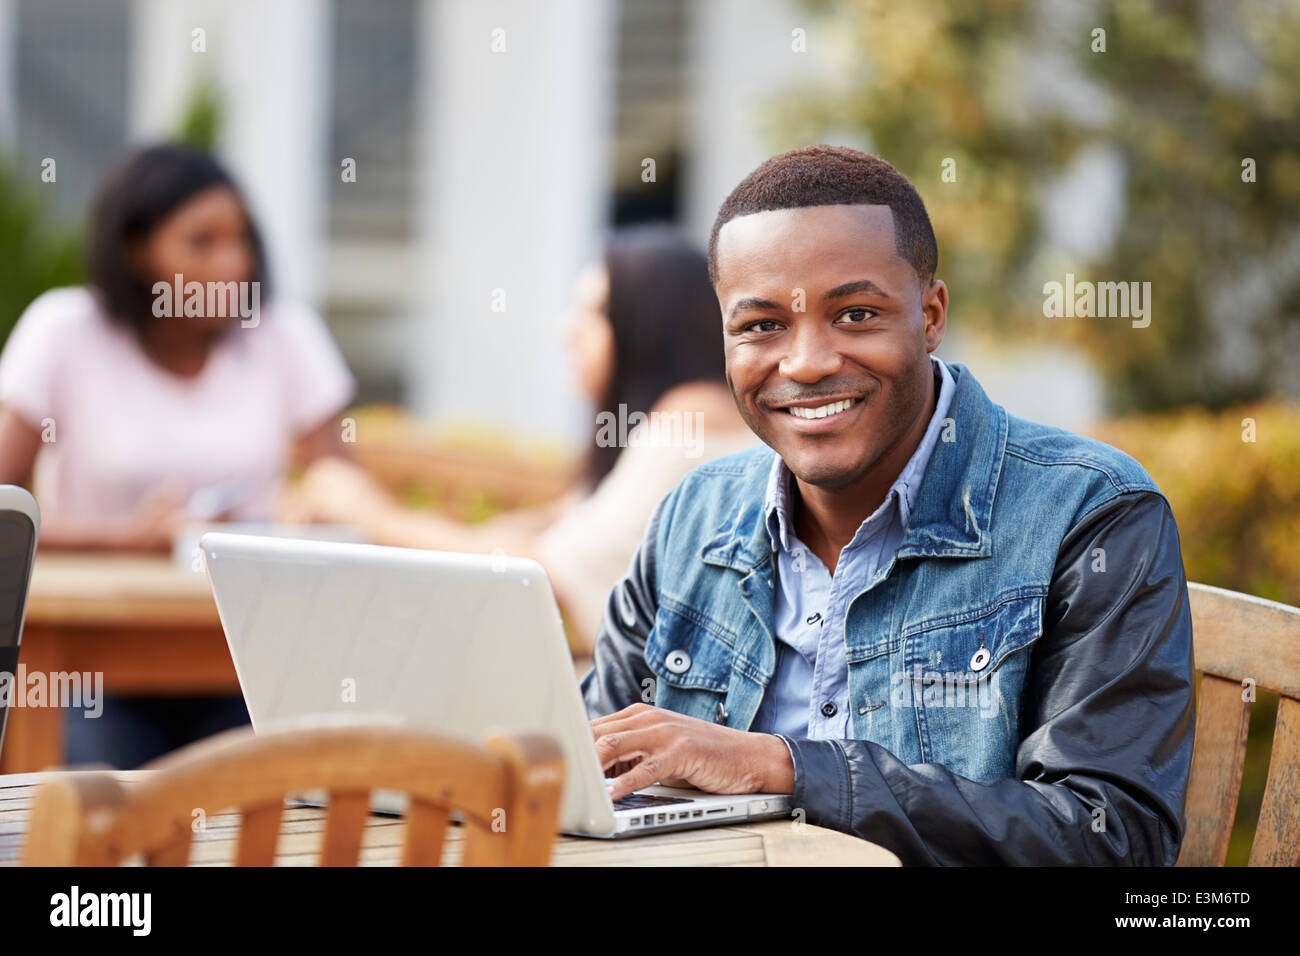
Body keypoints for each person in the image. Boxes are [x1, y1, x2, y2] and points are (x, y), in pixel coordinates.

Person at [581, 145, 1196, 866]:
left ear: (930, 315)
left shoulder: (1092, 513)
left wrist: (787, 769)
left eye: (856, 313)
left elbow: (1110, 835)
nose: (806, 363)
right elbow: (593, 762)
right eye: (761, 326)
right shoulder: (695, 515)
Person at [0, 143, 356, 766]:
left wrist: (311, 514)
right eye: (202, 242)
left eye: (241, 238)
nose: (233, 261)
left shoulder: (284, 334)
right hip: (96, 664)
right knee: (98, 790)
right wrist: (122, 538)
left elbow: (347, 495)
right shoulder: (63, 331)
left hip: (244, 651)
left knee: (281, 779)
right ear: (137, 252)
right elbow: (6, 517)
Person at [286, 226, 758, 653]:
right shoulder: (694, 417)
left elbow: (542, 569)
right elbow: (546, 536)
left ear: (651, 324)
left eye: (595, 311)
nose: (568, 329)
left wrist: (373, 514)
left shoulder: (689, 420)